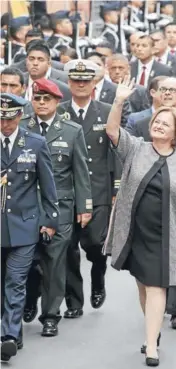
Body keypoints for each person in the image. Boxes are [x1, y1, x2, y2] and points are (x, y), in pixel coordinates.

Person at [103, 76, 176, 367]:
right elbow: (112, 131)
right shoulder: (136, 148)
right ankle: (154, 329)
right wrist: (119, 99)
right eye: (156, 122)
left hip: (166, 235)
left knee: (156, 286)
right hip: (135, 232)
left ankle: (151, 345)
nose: (159, 125)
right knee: (143, 284)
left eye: (165, 124)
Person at [20, 79, 92, 337]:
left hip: (59, 207)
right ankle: (28, 299)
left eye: (46, 99)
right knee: (26, 261)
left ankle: (50, 315)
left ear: (57, 102)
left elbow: (81, 171)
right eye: (37, 98)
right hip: (25, 206)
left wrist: (84, 206)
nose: (40, 103)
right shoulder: (20, 127)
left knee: (54, 261)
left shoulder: (71, 131)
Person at [0, 93, 59, 362]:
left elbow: (48, 186)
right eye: (1, 119)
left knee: (16, 282)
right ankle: (13, 330)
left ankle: (8, 336)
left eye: (10, 119)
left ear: (19, 116)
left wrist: (50, 220)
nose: (5, 124)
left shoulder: (34, 143)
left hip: (24, 228)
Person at [60, 59, 114, 318]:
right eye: (76, 80)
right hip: (66, 191)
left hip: (98, 190)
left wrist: (116, 188)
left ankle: (99, 274)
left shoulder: (106, 110)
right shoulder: (58, 112)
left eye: (86, 80)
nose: (81, 84)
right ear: (69, 83)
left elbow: (116, 151)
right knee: (69, 249)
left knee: (94, 244)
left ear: (94, 83)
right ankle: (74, 301)